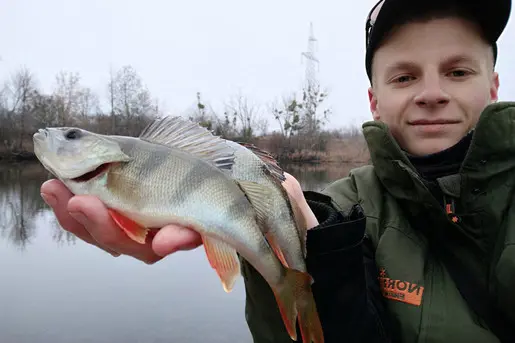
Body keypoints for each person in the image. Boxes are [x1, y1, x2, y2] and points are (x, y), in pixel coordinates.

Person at [39, 0, 514, 341]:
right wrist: (290, 248)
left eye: (457, 71)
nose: (431, 93)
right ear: (373, 99)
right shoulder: (340, 210)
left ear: (493, 84)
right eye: (405, 76)